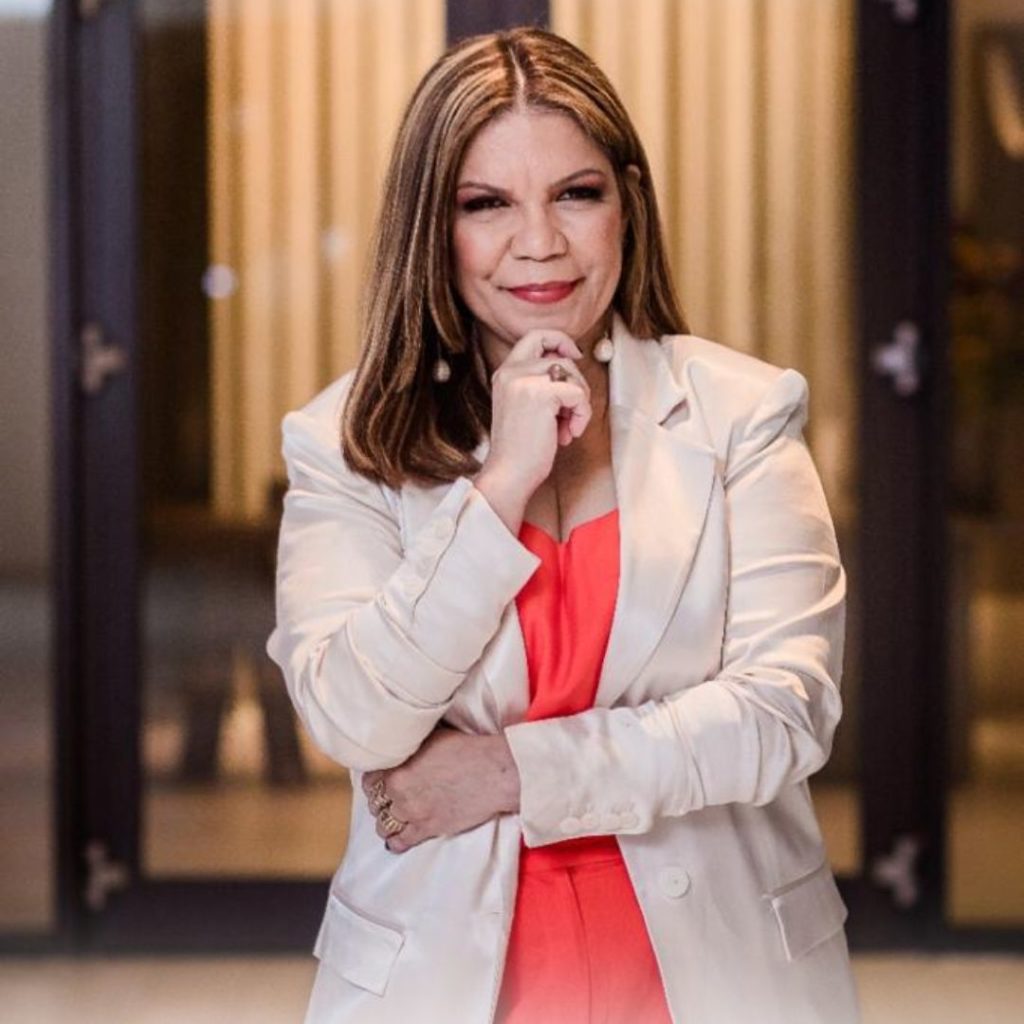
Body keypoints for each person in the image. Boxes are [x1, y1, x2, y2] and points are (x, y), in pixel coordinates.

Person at [267, 25, 861, 1024]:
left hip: (716, 978)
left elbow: (781, 713)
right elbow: (355, 719)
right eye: (486, 203)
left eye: (575, 194)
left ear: (626, 202)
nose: (538, 242)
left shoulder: (741, 415)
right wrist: (499, 485)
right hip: (444, 986)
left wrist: (509, 771)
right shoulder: (343, 440)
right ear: (432, 227)